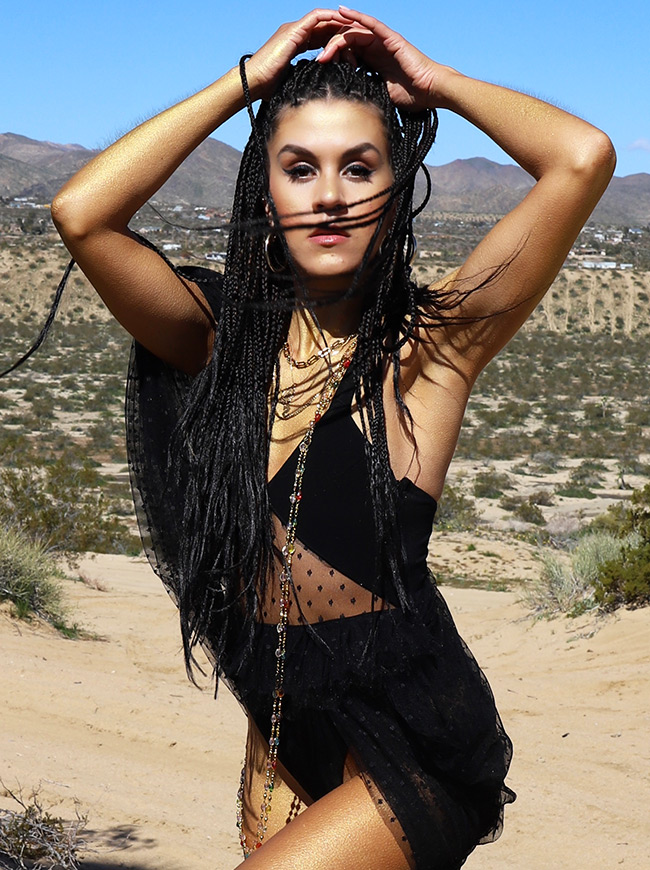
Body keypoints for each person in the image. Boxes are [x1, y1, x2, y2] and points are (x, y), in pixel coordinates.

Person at [49, 8, 615, 869]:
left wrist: (438, 84)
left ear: (396, 184)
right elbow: (82, 213)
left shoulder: (430, 356)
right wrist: (248, 83)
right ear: (264, 187)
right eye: (299, 167)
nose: (329, 195)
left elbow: (581, 158)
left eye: (360, 167)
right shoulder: (214, 343)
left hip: (414, 749)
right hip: (280, 741)